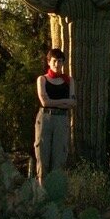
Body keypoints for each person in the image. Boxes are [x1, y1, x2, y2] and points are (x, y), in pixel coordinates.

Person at [34, 47, 75, 181]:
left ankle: (55, 197)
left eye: (60, 61)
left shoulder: (69, 81)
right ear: (49, 62)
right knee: (43, 156)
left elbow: (73, 103)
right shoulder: (42, 80)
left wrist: (55, 102)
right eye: (55, 61)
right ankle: (41, 193)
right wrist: (65, 101)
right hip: (45, 118)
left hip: (61, 120)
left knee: (59, 157)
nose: (57, 64)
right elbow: (45, 102)